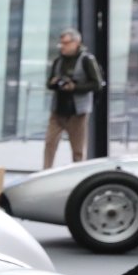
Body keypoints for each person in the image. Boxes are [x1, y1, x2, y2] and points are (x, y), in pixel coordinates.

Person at [43, 28, 103, 169]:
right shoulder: (58, 61)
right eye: (61, 43)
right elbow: (49, 82)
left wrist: (75, 87)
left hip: (77, 111)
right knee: (50, 143)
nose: (62, 47)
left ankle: (78, 173)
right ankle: (46, 171)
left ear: (76, 43)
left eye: (66, 43)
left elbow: (97, 84)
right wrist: (54, 83)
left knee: (78, 149)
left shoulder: (87, 60)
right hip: (58, 109)